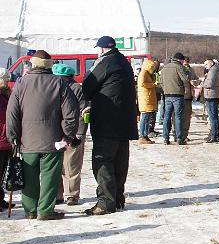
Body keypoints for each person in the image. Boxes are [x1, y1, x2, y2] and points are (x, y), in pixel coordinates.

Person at [6, 50, 79, 220]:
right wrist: (68, 135)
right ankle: (46, 210)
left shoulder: (21, 83)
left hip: (27, 141)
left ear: (33, 64)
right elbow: (71, 112)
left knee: (29, 177)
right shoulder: (59, 83)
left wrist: (13, 136)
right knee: (50, 177)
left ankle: (30, 210)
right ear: (49, 65)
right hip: (52, 141)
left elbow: (12, 113)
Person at [81, 36, 138, 215]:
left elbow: (87, 86)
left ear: (103, 49)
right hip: (125, 122)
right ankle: (117, 198)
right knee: (120, 162)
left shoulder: (104, 62)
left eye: (98, 49)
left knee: (103, 161)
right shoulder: (124, 62)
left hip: (107, 120)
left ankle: (105, 202)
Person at [52, 64, 88, 206]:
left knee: (69, 164)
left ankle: (69, 195)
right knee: (65, 165)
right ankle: (64, 195)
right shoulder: (72, 87)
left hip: (69, 133)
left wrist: (79, 134)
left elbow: (83, 112)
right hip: (64, 133)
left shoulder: (74, 89)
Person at [159, 53, 188, 145]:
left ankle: (165, 138)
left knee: (167, 117)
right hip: (178, 95)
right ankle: (179, 138)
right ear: (180, 60)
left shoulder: (164, 68)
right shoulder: (178, 67)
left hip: (167, 95)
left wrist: (165, 89)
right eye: (183, 60)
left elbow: (161, 82)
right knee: (178, 117)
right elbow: (185, 79)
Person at [136, 58, 159, 144]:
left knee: (148, 117)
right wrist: (153, 85)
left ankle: (145, 135)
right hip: (145, 98)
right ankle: (142, 135)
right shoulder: (143, 73)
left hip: (149, 98)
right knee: (144, 117)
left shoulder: (148, 73)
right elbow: (142, 84)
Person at [0, 68, 13, 209]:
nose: (7, 81)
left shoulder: (5, 95)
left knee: (3, 172)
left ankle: (0, 198)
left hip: (5, 140)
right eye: (5, 78)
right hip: (1, 139)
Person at [202, 59, 219, 143]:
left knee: (212, 117)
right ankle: (214, 135)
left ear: (211, 63)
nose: (205, 66)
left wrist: (201, 83)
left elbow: (209, 84)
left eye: (206, 64)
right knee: (214, 117)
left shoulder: (212, 71)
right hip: (214, 94)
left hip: (211, 95)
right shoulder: (217, 69)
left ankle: (214, 136)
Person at [180, 56, 199, 142]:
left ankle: (185, 134)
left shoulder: (191, 69)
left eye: (187, 62)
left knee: (187, 117)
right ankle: (178, 134)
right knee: (179, 116)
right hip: (180, 95)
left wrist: (196, 82)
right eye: (185, 62)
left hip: (189, 96)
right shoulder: (179, 69)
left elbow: (196, 79)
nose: (186, 64)